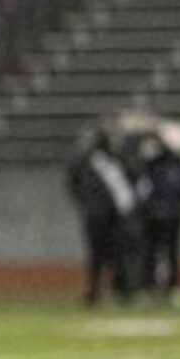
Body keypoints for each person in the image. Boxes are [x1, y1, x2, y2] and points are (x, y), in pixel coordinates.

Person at [66, 125, 138, 305]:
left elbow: (73, 184)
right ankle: (116, 290)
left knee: (101, 255)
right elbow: (132, 180)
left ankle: (102, 290)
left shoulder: (86, 160)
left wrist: (85, 203)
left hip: (99, 214)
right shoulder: (113, 160)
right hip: (111, 214)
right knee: (112, 254)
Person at [135, 123, 180, 306]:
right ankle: (171, 289)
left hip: (157, 214)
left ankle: (150, 289)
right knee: (168, 253)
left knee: (153, 252)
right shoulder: (177, 165)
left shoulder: (151, 166)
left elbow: (141, 190)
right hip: (171, 214)